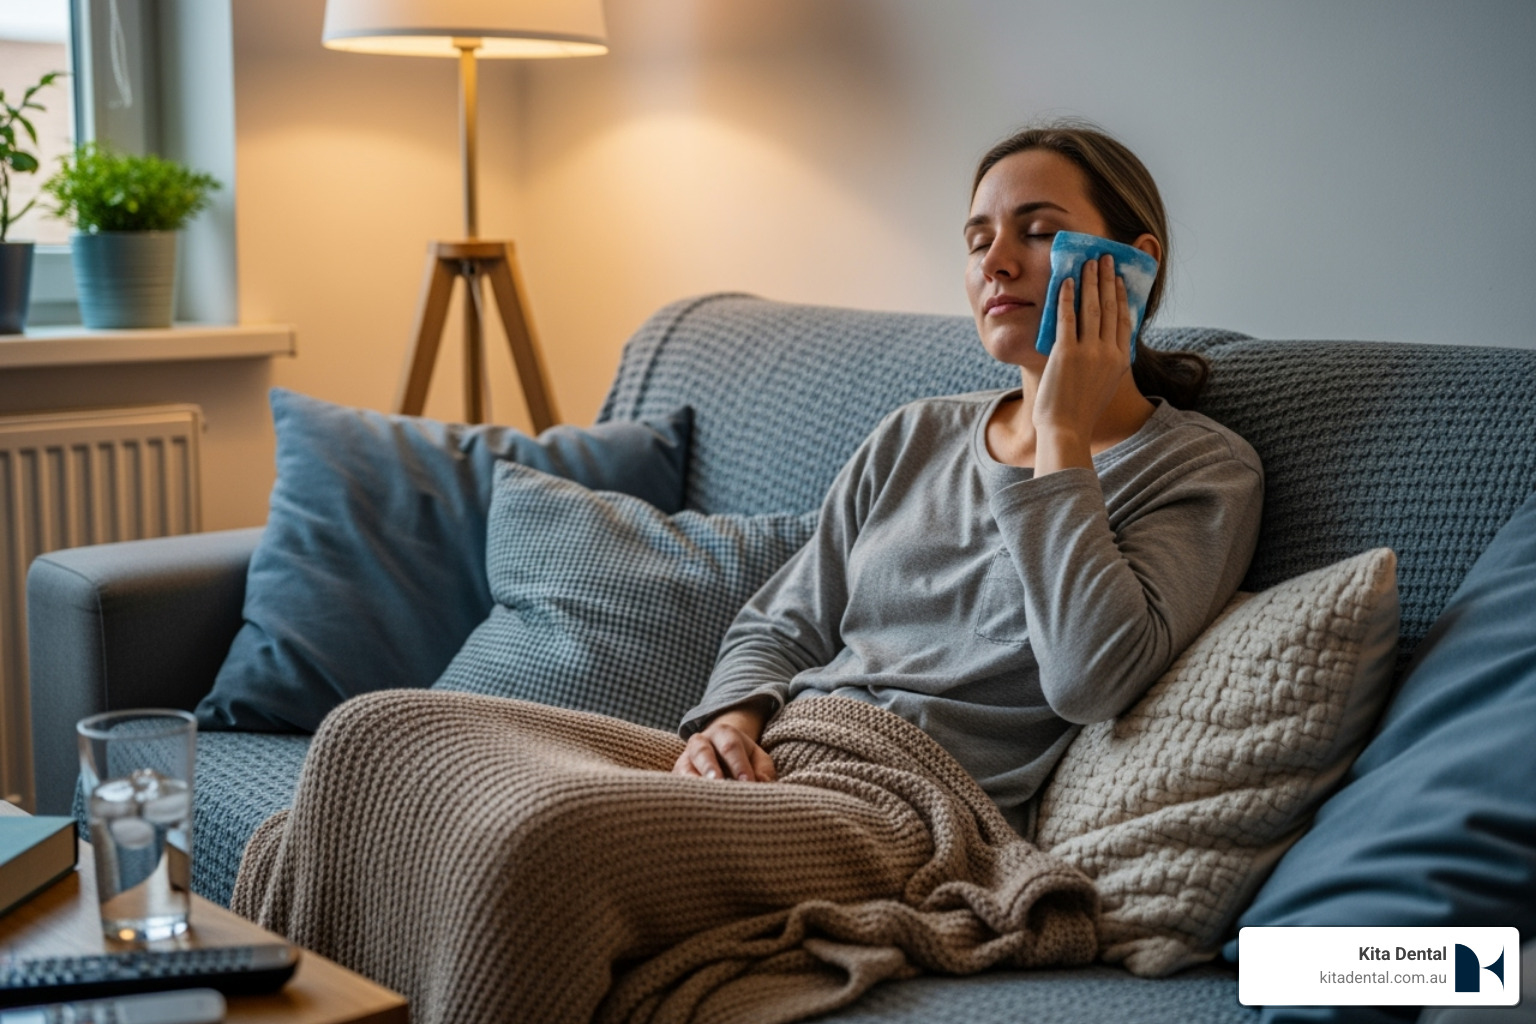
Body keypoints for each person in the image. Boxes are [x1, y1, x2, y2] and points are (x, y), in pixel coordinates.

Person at [673, 120, 1264, 839]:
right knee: (491, 748)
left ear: (1133, 264)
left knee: (529, 838)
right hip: (781, 758)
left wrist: (1063, 434)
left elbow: (1091, 680)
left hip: (911, 806)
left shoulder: (1200, 469)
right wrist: (729, 727)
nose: (997, 264)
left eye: (1039, 232)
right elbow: (783, 622)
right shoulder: (915, 433)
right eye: (978, 241)